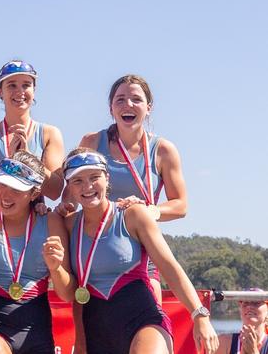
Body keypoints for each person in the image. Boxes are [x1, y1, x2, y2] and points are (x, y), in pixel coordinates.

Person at [62, 148, 218, 354]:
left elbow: (170, 267)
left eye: (94, 177)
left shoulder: (133, 215)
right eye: (78, 181)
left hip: (144, 322)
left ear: (107, 179)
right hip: (95, 332)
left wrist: (200, 315)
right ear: (69, 188)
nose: (88, 186)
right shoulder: (68, 225)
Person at [68, 74, 188, 301]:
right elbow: (70, 194)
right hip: (94, 245)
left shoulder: (163, 150)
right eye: (120, 100)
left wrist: (152, 210)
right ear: (111, 108)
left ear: (148, 107)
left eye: (136, 99)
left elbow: (181, 205)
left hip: (142, 247)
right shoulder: (92, 142)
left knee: (152, 316)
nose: (128, 105)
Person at [0, 150, 75, 354]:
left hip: (36, 330)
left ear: (34, 193)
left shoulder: (50, 222)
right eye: (2, 184)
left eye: (16, 188)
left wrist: (56, 267)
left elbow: (67, 294)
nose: (6, 194)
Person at [0, 59, 64, 204]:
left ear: (34, 90)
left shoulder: (49, 134)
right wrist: (10, 166)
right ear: (0, 92)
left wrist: (28, 160)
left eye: (26, 85)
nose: (20, 92)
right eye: (12, 85)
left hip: (35, 220)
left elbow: (55, 191)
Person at [215, 289, 268, 354]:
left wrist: (253, 351)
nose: (249, 307)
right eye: (245, 303)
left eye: (256, 303)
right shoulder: (223, 343)